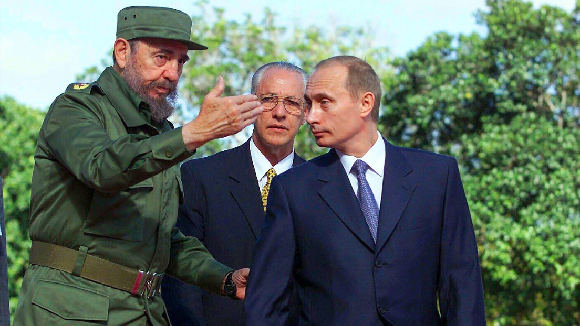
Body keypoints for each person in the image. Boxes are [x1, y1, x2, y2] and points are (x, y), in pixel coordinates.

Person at [13, 6, 263, 326]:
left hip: (144, 312)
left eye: (180, 61)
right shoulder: (76, 108)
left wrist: (224, 279)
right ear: (122, 52)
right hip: (69, 311)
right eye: (161, 57)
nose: (173, 73)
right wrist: (195, 133)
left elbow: (163, 237)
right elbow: (102, 167)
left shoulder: (164, 134)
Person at [245, 56, 486, 326]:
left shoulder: (436, 177)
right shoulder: (293, 189)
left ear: (365, 103)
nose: (310, 116)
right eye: (309, 104)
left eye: (324, 102)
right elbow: (266, 304)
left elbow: (463, 290)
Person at [161, 62, 307, 326]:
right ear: (251, 105)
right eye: (269, 100)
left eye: (292, 103)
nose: (280, 113)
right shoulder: (201, 177)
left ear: (305, 113)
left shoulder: (321, 186)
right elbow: (179, 278)